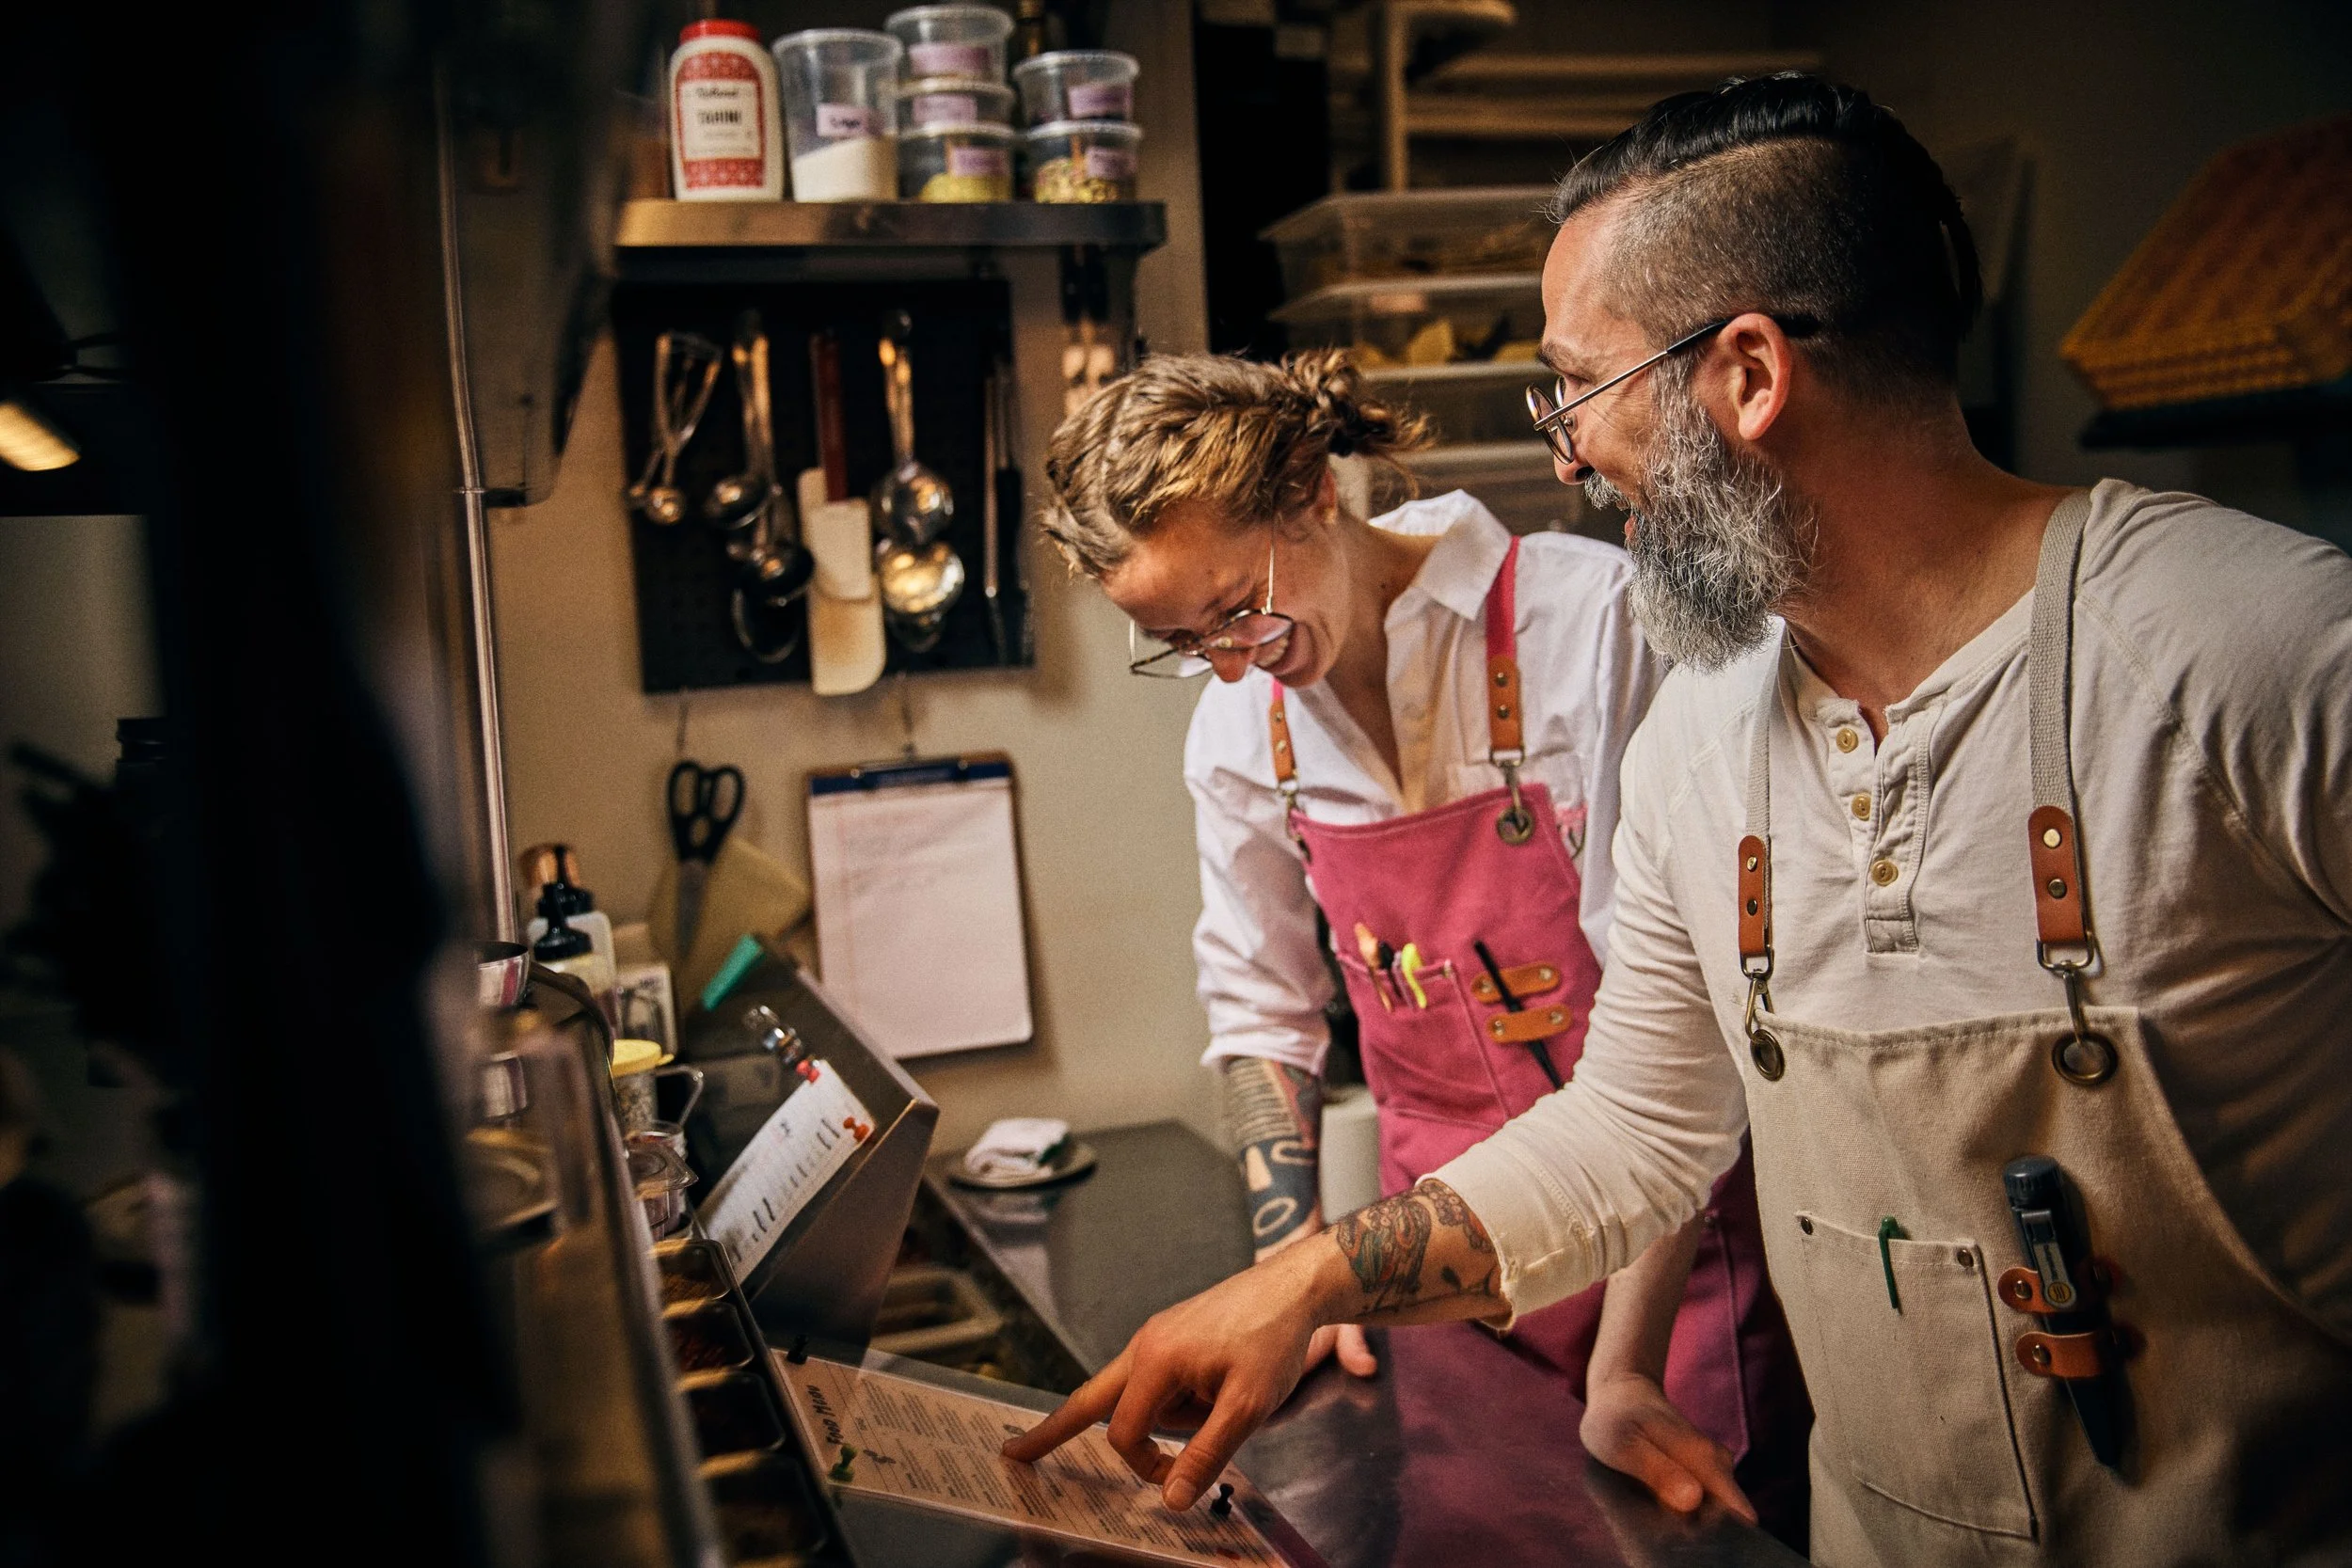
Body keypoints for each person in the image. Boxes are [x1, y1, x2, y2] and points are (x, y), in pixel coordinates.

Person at [1006, 72, 2352, 1568]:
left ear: (1748, 376)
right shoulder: (1708, 741)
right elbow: (1640, 1128)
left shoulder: (2262, 655)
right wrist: (1305, 1272)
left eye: (1577, 395)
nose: (1566, 460)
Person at [1034, 352, 1812, 1533]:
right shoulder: (1242, 729)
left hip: (1665, 1273)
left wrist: (1627, 1368)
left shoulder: (1583, 623)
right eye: (1186, 642)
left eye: (1239, 607)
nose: (1235, 664)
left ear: (1313, 493)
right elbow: (1261, 1010)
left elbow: (1684, 1051)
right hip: (1434, 1273)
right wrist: (1290, 1272)